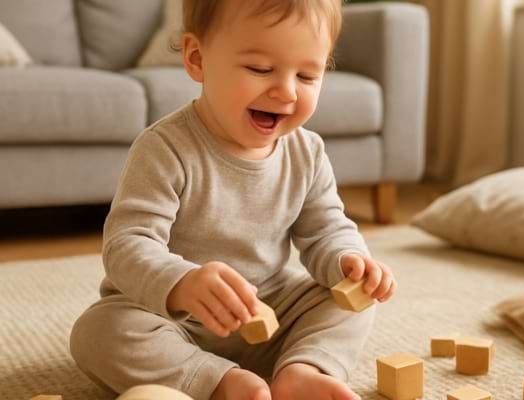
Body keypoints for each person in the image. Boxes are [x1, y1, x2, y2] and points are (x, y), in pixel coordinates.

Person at [70, 1, 397, 399]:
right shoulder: (165, 148)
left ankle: (303, 370)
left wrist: (349, 260)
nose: (286, 91)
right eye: (261, 69)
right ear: (197, 59)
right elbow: (127, 245)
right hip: (174, 321)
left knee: (350, 303)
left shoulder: (307, 152)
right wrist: (182, 282)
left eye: (308, 75)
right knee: (97, 332)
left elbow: (327, 228)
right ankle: (220, 382)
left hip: (272, 309)